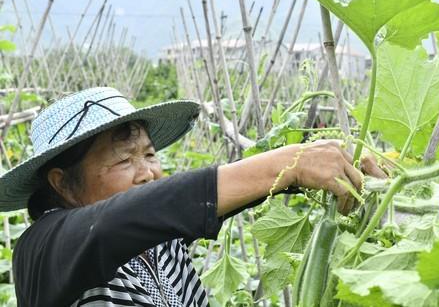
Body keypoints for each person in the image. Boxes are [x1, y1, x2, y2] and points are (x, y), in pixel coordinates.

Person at [3, 87, 384, 306]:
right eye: (123, 160)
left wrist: (309, 170)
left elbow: (183, 206)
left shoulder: (159, 242)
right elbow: (114, 224)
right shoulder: (43, 251)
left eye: (150, 155)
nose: (148, 173)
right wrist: (289, 163)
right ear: (62, 182)